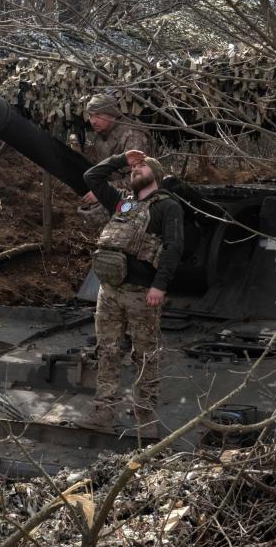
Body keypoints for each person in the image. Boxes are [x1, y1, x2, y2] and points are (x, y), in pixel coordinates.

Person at [81, 149, 184, 436]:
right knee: (108, 351)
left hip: (142, 293)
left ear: (157, 176)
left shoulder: (167, 207)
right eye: (133, 169)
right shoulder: (121, 203)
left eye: (143, 167)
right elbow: (91, 176)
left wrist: (159, 285)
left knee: (145, 355)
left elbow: (174, 247)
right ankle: (103, 411)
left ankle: (145, 416)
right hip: (110, 291)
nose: (136, 171)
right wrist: (121, 159)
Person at [85, 93, 154, 161]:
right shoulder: (99, 133)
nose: (93, 121)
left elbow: (137, 169)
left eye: (98, 115)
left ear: (111, 114)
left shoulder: (132, 134)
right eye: (90, 116)